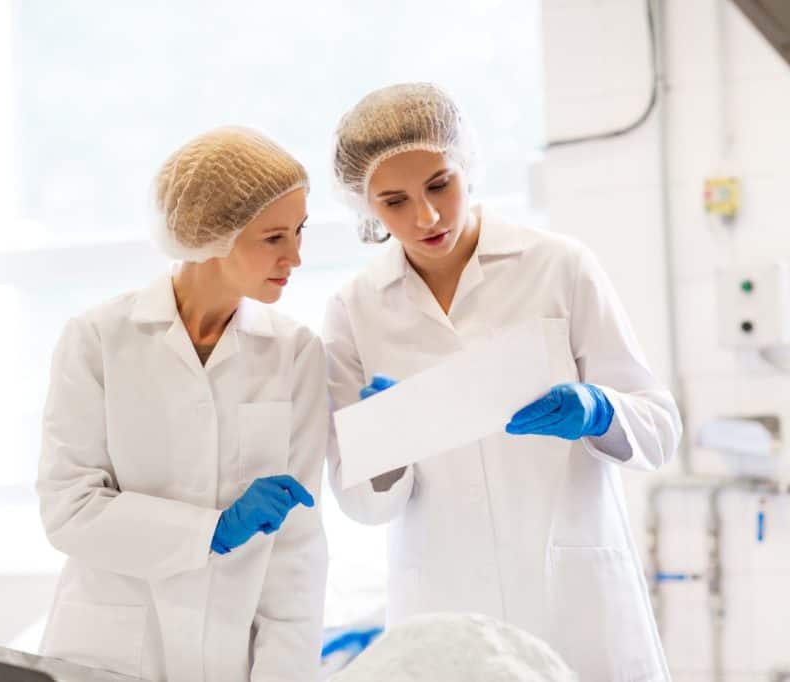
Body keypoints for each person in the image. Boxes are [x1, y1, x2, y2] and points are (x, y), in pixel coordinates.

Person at [323, 83, 682, 681]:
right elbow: (359, 503)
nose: (427, 216)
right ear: (365, 208)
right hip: (446, 609)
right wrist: (385, 445)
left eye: (440, 184)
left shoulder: (557, 265)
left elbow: (660, 427)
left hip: (571, 594)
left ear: (466, 165)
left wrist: (599, 410)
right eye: (394, 201)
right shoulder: (355, 308)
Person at [37, 127, 328, 682]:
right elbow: (68, 510)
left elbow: (297, 546)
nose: (295, 256)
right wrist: (209, 532)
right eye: (273, 238)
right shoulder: (98, 338)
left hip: (233, 655)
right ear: (212, 235)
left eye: (299, 231)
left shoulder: (294, 352)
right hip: (110, 651)